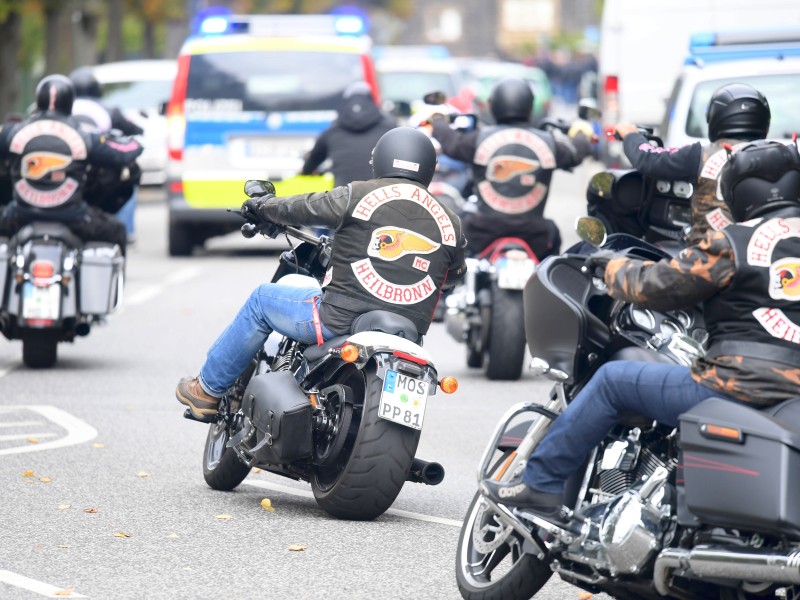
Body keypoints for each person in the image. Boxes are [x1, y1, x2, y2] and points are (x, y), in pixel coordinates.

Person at [483, 139, 800, 517]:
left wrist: (611, 267)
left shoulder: (735, 242)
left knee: (614, 381)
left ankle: (540, 484)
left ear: (740, 193)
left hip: (737, 385)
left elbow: (660, 286)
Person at [176, 127, 468, 419]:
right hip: (408, 337)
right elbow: (453, 276)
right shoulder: (450, 221)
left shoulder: (360, 194)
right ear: (429, 168)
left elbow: (304, 207)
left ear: (380, 160)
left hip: (337, 321)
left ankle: (207, 391)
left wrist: (263, 207)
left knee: (262, 300)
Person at [428, 77, 592, 259]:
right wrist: (582, 133)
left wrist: (438, 122)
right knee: (553, 244)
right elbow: (576, 151)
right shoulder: (549, 144)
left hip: (482, 232)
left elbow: (452, 142)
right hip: (535, 235)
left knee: (456, 233)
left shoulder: (477, 139)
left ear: (493, 105)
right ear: (530, 107)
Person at [0, 74, 143, 254]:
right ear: (70, 103)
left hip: (18, 215)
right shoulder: (84, 137)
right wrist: (134, 142)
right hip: (73, 217)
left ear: (38, 100)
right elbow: (124, 152)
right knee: (117, 231)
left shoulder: (13, 133)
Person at [614, 82, 771, 245]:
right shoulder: (785, 153)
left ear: (716, 118)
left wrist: (631, 136)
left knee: (623, 267)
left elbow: (649, 159)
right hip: (767, 249)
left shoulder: (700, 154)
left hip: (712, 255)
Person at [69, 66, 144, 241]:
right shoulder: (109, 110)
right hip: (98, 168)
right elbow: (131, 131)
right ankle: (127, 229)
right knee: (130, 175)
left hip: (62, 170)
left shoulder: (60, 109)